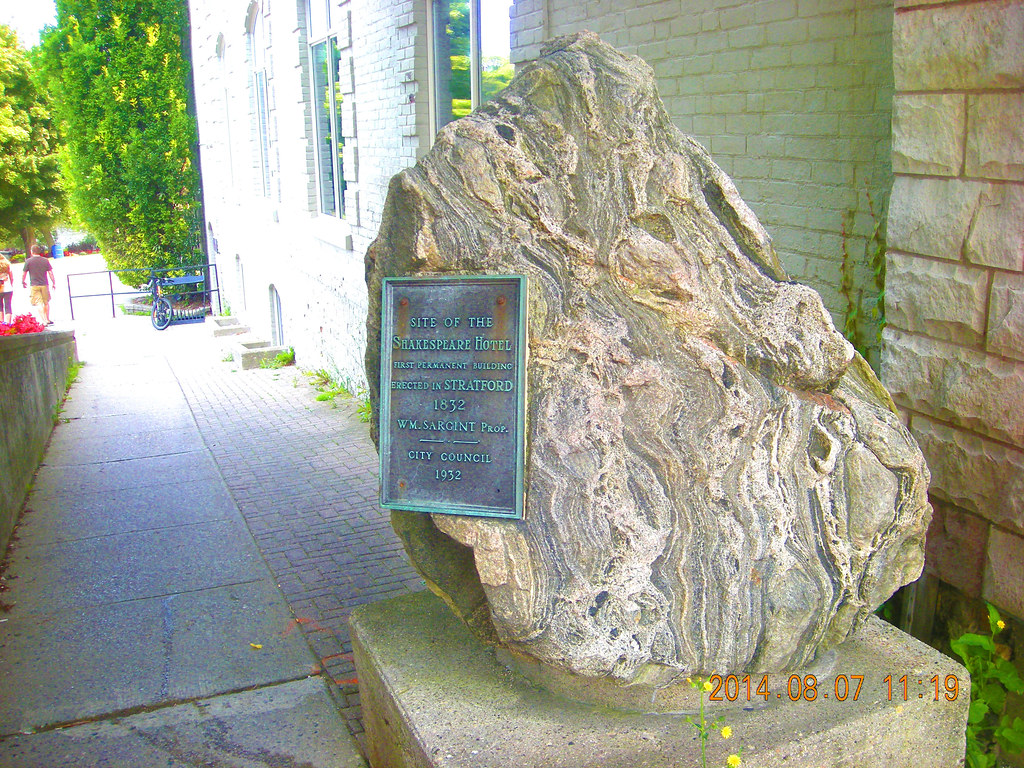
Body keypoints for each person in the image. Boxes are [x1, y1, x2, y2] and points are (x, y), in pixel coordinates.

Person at [22, 245, 56, 325]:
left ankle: (44, 321)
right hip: (44, 284)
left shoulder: (28, 261)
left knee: (38, 303)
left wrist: (23, 282)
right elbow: (50, 273)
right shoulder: (45, 260)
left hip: (34, 285)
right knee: (46, 302)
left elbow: (24, 273)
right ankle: (47, 319)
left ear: (32, 251)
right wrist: (53, 282)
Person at [0, 253, 14, 324]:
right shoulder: (7, 265)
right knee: (8, 306)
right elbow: (11, 277)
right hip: (8, 288)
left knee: (0, 306)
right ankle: (8, 323)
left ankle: (1, 322)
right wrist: (11, 284)